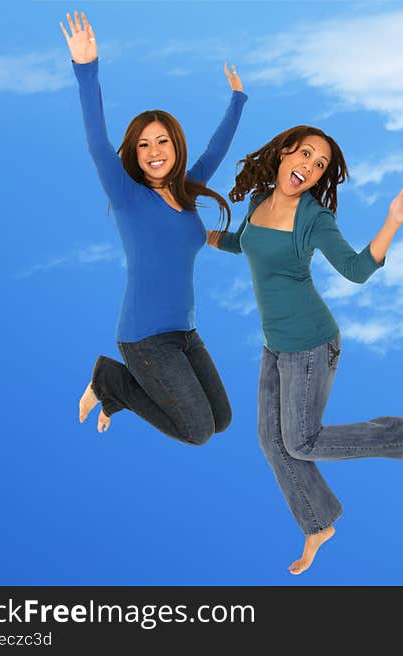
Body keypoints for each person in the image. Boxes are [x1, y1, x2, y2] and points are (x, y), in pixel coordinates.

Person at [207, 126, 403, 574]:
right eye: (307, 155)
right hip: (274, 345)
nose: (311, 168)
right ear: (283, 152)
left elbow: (355, 269)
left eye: (320, 166)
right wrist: (202, 235)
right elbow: (244, 243)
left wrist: (392, 220)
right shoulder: (259, 202)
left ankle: (402, 435)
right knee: (271, 441)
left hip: (312, 344)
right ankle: (318, 524)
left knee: (301, 440)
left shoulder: (313, 218)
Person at [61, 11, 247, 444]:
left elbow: (217, 148)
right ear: (136, 154)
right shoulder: (127, 197)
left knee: (222, 419)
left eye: (162, 140)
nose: (153, 150)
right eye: (143, 144)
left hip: (185, 332)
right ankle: (110, 380)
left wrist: (238, 99)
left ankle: (117, 387)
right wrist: (87, 69)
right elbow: (96, 141)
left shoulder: (187, 193)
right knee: (198, 431)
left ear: (175, 145)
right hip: (144, 339)